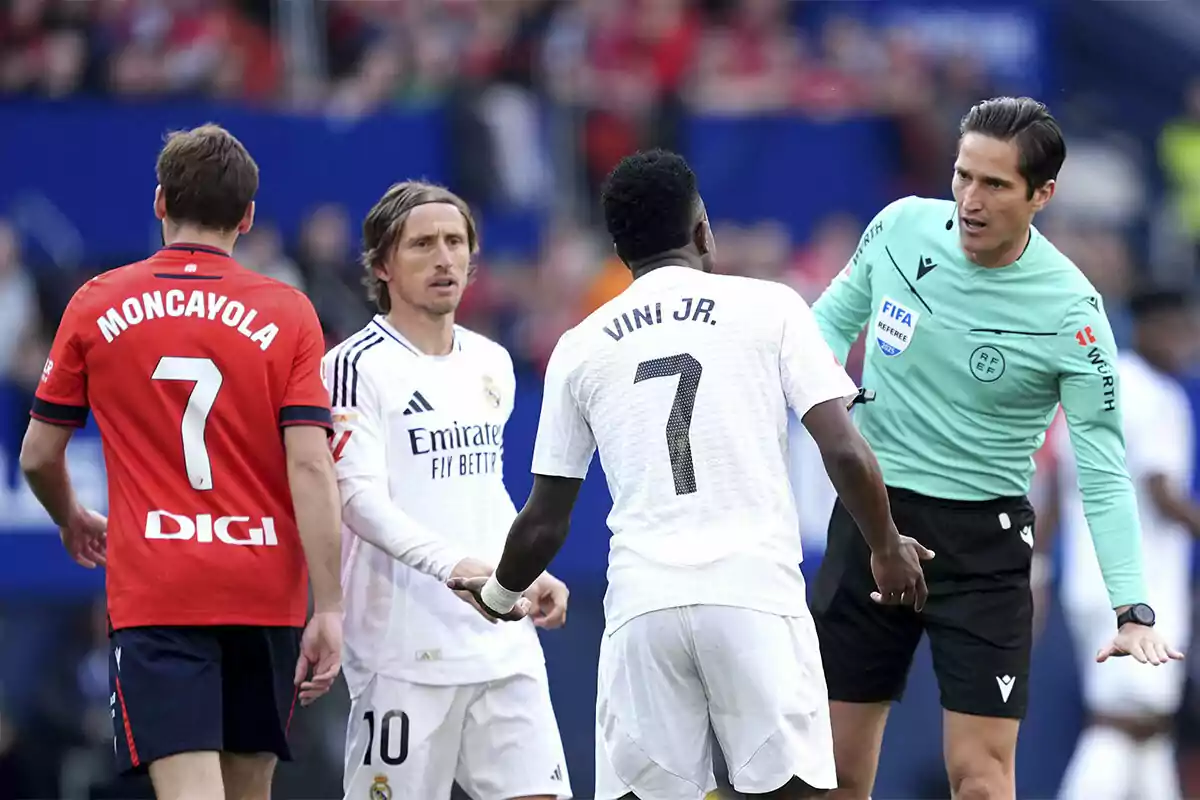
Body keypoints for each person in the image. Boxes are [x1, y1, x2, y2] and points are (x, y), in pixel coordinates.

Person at [450, 149, 932, 800]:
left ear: (620, 250)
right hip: (754, 596)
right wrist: (886, 546)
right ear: (702, 230)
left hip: (644, 608)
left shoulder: (580, 345)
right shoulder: (771, 308)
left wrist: (500, 598)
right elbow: (843, 449)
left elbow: (544, 519)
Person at [808, 95, 1185, 800]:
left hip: (984, 550)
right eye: (962, 177)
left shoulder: (1072, 313)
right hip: (872, 520)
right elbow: (821, 331)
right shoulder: (898, 229)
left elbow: (1102, 470)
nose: (970, 201)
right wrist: (825, 408)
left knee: (981, 780)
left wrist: (1131, 606)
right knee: (834, 776)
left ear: (1043, 194)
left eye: (995, 185)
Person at [18, 124, 343, 800]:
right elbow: (311, 467)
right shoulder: (289, 311)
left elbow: (38, 454)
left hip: (159, 593)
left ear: (160, 200)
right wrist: (331, 605)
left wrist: (72, 516)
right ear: (248, 217)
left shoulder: (96, 302)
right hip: (263, 592)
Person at [327, 180, 573, 800]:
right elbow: (358, 502)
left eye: (455, 242)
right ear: (382, 265)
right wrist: (454, 567)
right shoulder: (353, 367)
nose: (444, 258)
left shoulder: (491, 362)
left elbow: (481, 485)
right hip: (403, 654)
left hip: (500, 640)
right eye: (422, 244)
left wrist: (522, 570)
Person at [1050, 289, 1198, 799]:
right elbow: (1164, 493)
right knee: (1122, 724)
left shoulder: (1097, 386)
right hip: (1142, 589)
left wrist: (1039, 567)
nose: (1185, 343)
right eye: (1179, 329)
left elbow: (1053, 486)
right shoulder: (1158, 395)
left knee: (1147, 726)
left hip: (1092, 583)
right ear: (1150, 327)